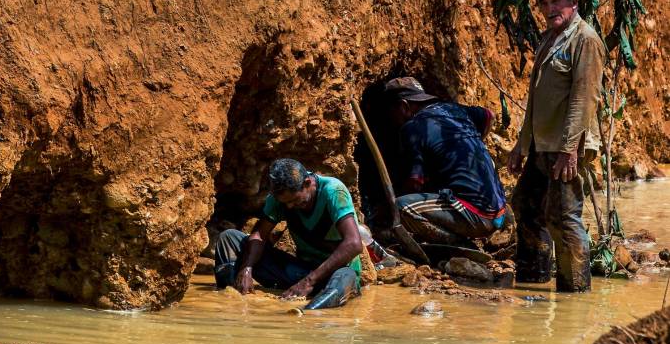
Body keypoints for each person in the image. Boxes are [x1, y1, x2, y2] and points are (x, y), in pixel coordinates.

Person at [508, 0, 605, 293]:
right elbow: (536, 98)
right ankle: (532, 281)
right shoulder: (549, 39)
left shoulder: (585, 40)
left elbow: (584, 98)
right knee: (526, 206)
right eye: (544, 3)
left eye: (557, 2)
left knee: (564, 218)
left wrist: (569, 149)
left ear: (573, 2)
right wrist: (522, 145)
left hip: (566, 147)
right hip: (541, 144)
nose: (550, 9)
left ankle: (575, 294)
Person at [213, 158, 363, 309]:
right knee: (229, 238)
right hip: (301, 273)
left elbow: (354, 244)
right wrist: (246, 268)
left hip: (337, 275)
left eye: (295, 200)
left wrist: (309, 281)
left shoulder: (333, 191)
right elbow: (259, 234)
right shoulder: (278, 200)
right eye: (285, 203)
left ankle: (310, 312)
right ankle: (231, 298)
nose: (290, 206)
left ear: (307, 183)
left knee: (338, 285)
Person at [385, 77, 508, 246]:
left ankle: (457, 243)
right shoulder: (453, 109)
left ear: (404, 106)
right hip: (499, 210)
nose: (391, 120)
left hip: (475, 214)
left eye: (391, 112)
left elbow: (415, 183)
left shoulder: (412, 128)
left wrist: (388, 207)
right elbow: (489, 115)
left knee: (400, 208)